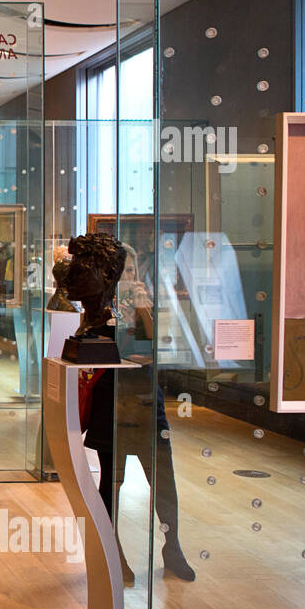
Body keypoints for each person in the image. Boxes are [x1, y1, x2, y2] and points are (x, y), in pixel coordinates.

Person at [81, 241, 195, 583]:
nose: (128, 278)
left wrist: (143, 308)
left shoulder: (148, 305)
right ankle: (111, 548)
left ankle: (172, 547)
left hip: (147, 400)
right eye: (121, 272)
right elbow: (107, 352)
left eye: (131, 270)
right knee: (112, 482)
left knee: (163, 479)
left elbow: (158, 349)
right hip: (112, 402)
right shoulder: (98, 312)